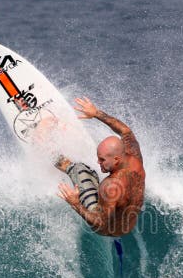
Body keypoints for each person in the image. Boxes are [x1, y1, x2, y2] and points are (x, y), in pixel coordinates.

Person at [56, 97, 145, 237]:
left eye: (102, 159)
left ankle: (51, 154)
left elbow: (100, 223)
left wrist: (75, 203)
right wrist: (96, 113)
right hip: (128, 225)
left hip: (106, 230)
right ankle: (93, 180)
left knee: (79, 168)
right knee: (94, 177)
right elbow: (125, 131)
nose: (98, 162)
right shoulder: (135, 156)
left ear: (116, 159)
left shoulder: (110, 186)